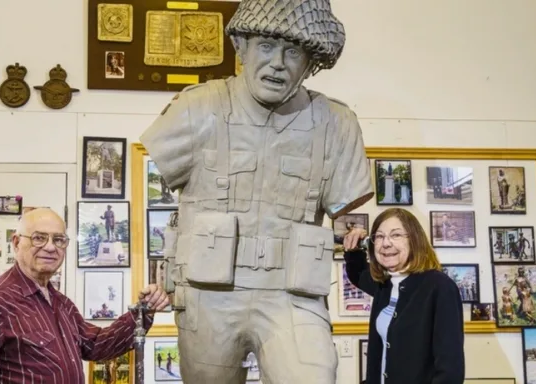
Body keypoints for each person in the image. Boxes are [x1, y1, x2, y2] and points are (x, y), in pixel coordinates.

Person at [139, 0, 374, 382]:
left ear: (309, 61)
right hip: (208, 295)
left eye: (293, 51)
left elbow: (345, 198)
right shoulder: (197, 108)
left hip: (293, 297)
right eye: (266, 45)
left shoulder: (336, 124)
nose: (278, 62)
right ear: (243, 47)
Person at [0, 208, 169, 383]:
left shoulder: (61, 303)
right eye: (39, 238)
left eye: (58, 240)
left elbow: (97, 345)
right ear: (17, 243)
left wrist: (144, 311)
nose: (50, 247)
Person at [343, 208, 465, 384]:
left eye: (396, 235)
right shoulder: (385, 285)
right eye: (379, 236)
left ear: (414, 240)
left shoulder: (440, 287)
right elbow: (357, 274)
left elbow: (450, 371)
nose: (386, 243)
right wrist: (353, 246)